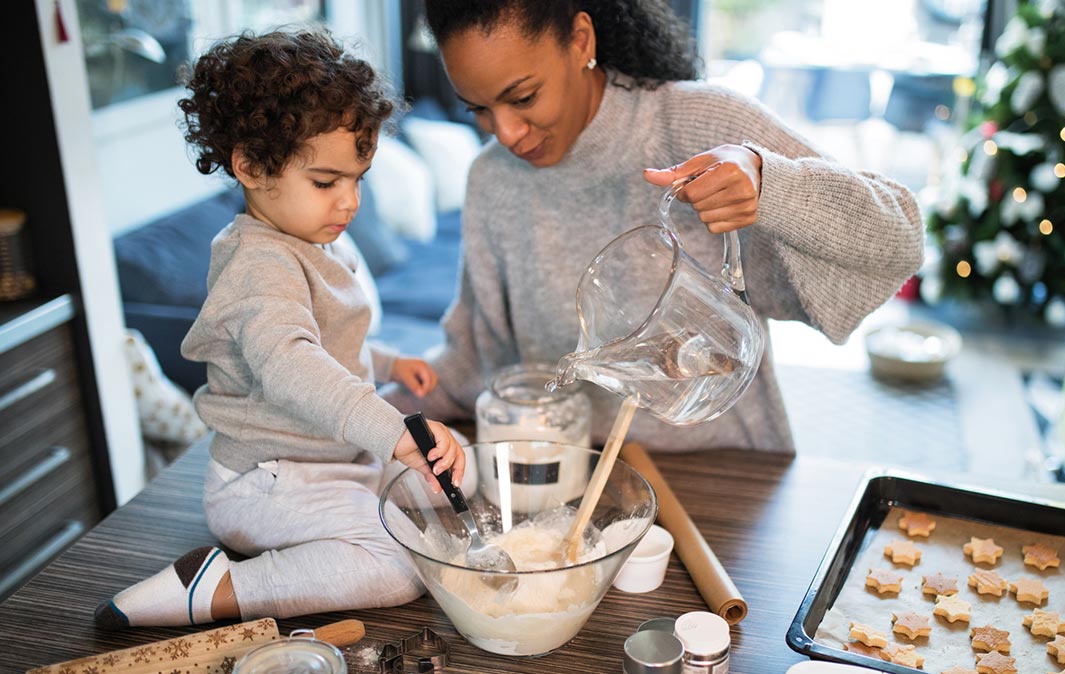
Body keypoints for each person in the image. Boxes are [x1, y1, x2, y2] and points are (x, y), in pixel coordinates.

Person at [384, 0, 925, 452]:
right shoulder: (492, 181)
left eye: (523, 97)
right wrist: (365, 412)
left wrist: (770, 184)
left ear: (579, 40)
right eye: (478, 109)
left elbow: (900, 239)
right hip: (572, 474)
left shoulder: (699, 127)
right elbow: (476, 361)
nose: (504, 132)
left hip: (724, 474)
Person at [94, 29, 467, 629]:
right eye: (326, 182)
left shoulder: (307, 240)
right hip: (265, 483)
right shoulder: (259, 263)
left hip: (333, 461)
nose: (349, 203)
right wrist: (394, 430)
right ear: (250, 165)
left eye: (357, 180)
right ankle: (218, 586)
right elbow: (291, 362)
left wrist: (390, 362)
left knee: (447, 485)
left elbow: (324, 340)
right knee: (402, 566)